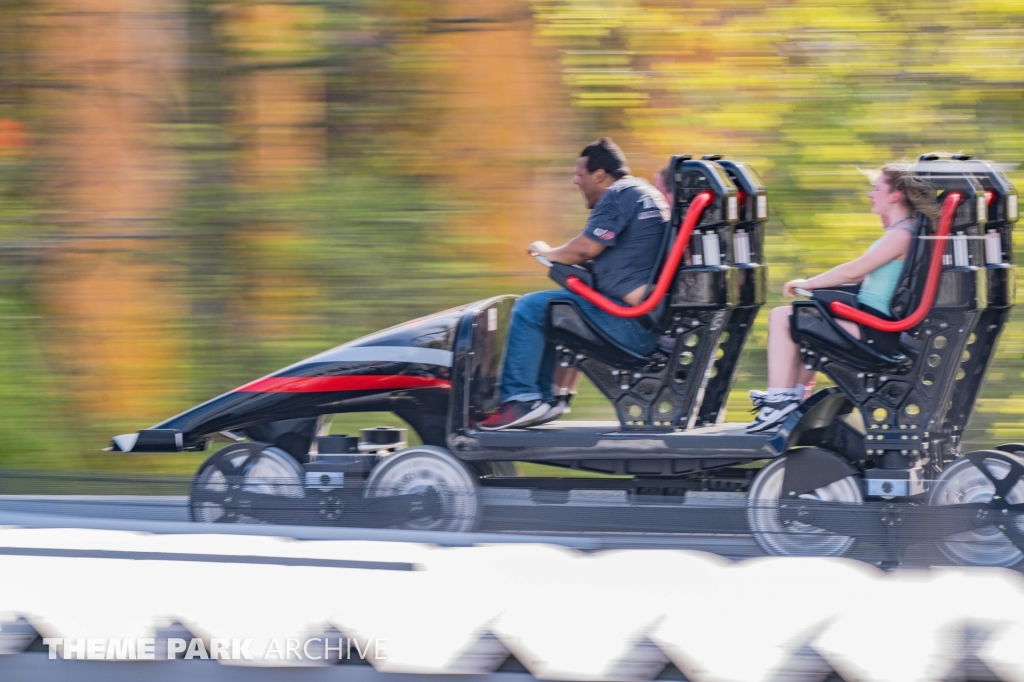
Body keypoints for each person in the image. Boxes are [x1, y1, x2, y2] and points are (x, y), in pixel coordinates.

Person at [479, 138, 670, 430]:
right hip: (644, 324)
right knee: (555, 309)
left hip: (629, 325)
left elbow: (584, 249)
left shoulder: (618, 194)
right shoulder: (643, 193)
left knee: (530, 308)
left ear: (599, 175)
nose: (574, 181)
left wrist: (546, 252)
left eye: (579, 174)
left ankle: (522, 398)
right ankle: (546, 400)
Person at [746, 163, 939, 433]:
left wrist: (809, 283)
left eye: (876, 188)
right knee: (806, 319)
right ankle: (792, 396)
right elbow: (860, 279)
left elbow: (854, 271)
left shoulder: (901, 235)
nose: (871, 194)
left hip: (874, 332)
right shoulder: (905, 231)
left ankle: (779, 401)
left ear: (895, 195)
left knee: (782, 317)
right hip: (870, 324)